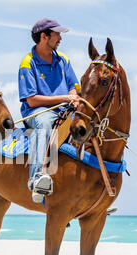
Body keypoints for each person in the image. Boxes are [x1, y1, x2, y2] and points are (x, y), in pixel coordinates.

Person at [18, 17, 80, 203]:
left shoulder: (64, 60)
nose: (60, 38)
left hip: (65, 109)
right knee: (44, 124)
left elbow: (73, 86)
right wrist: (65, 98)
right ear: (44, 36)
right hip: (37, 112)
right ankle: (36, 180)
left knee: (89, 123)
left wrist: (73, 98)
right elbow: (32, 99)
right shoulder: (27, 63)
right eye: (57, 34)